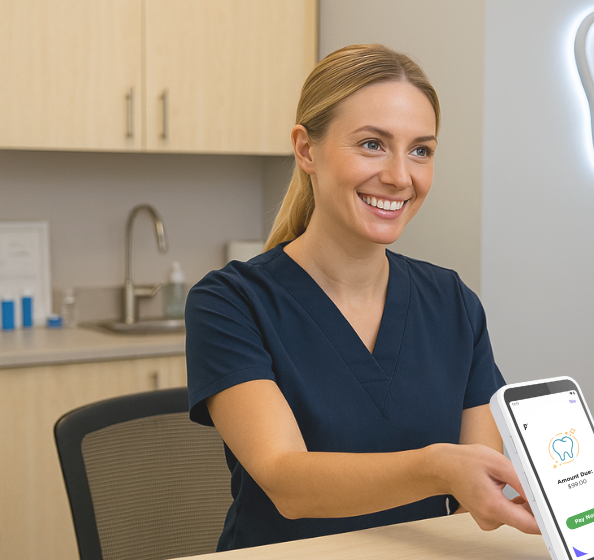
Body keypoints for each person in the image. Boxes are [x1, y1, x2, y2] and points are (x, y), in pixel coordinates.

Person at [184, 44, 538, 551]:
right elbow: (287, 483)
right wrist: (437, 467)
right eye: (373, 144)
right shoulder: (231, 302)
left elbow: (472, 494)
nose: (400, 176)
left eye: (421, 150)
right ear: (306, 150)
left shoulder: (452, 302)